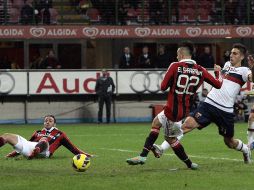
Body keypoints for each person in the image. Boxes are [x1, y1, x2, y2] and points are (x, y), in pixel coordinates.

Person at [126, 41, 222, 170]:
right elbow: (218, 85)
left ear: (182, 54)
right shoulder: (201, 70)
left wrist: (173, 81)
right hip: (184, 109)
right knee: (156, 123)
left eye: (177, 54)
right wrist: (218, 73)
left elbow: (163, 86)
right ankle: (143, 156)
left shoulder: (175, 66)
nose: (177, 57)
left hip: (173, 109)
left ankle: (189, 164)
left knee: (171, 140)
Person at [153, 43, 252, 164]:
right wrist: (217, 73)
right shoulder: (226, 65)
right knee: (186, 125)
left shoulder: (244, 71)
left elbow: (252, 78)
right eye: (231, 53)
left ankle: (246, 150)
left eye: (235, 53)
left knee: (229, 142)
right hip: (209, 104)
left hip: (225, 111)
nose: (231, 55)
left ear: (242, 57)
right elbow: (218, 82)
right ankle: (161, 148)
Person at [0, 115, 92, 159]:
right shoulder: (37, 132)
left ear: (54, 123)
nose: (47, 122)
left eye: (50, 121)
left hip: (45, 152)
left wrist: (87, 155)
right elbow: (27, 144)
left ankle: (35, 153)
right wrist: (14, 154)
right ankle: (33, 154)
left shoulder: (60, 134)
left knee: (44, 139)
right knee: (6, 136)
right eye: (46, 121)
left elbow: (73, 148)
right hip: (32, 148)